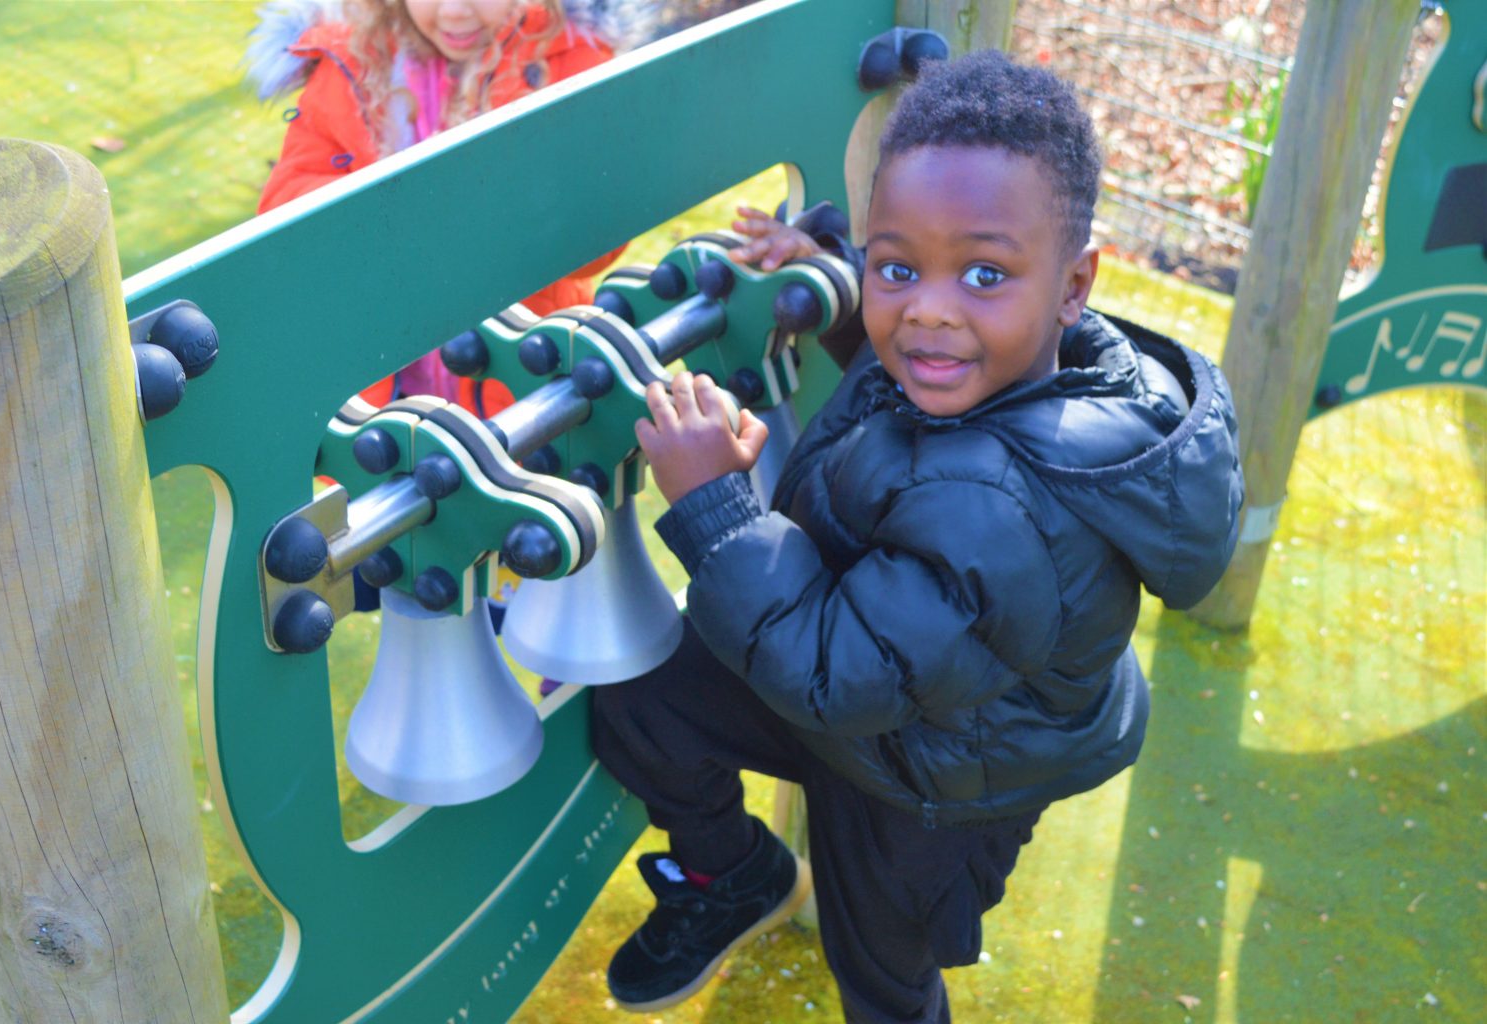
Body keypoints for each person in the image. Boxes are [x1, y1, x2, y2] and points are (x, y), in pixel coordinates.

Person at [590, 50, 1244, 1021]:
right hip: (866, 682)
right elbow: (898, 365)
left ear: (1073, 286)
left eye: (983, 273)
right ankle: (735, 876)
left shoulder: (1004, 508)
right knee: (643, 700)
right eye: (896, 266)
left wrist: (718, 508)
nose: (929, 309)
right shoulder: (984, 362)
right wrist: (829, 275)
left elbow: (835, 674)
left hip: (934, 784)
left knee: (880, 972)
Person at [246, 0, 646, 412]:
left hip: (525, 390)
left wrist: (490, 207)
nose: (454, 11)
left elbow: (599, 237)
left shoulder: (568, 59)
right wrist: (394, 214)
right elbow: (285, 205)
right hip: (381, 402)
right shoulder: (352, 60)